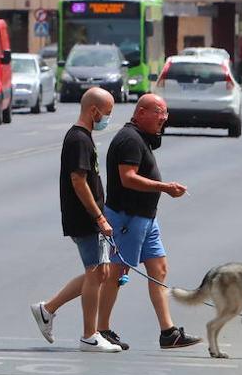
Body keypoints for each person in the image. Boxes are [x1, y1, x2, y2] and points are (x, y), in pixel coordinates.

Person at [99, 93, 201, 351]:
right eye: (159, 112)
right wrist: (164, 187)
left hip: (145, 218)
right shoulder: (129, 139)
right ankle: (101, 329)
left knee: (159, 269)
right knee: (117, 272)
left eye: (165, 113)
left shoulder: (141, 138)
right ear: (141, 112)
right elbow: (128, 178)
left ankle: (168, 333)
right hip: (127, 217)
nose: (164, 118)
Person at [30, 87, 123, 353]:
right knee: (96, 272)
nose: (107, 118)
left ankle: (47, 310)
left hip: (90, 216)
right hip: (83, 217)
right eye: (107, 113)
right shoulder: (78, 139)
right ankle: (89, 336)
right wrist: (98, 216)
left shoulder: (84, 137)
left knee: (101, 272)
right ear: (93, 111)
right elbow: (78, 180)